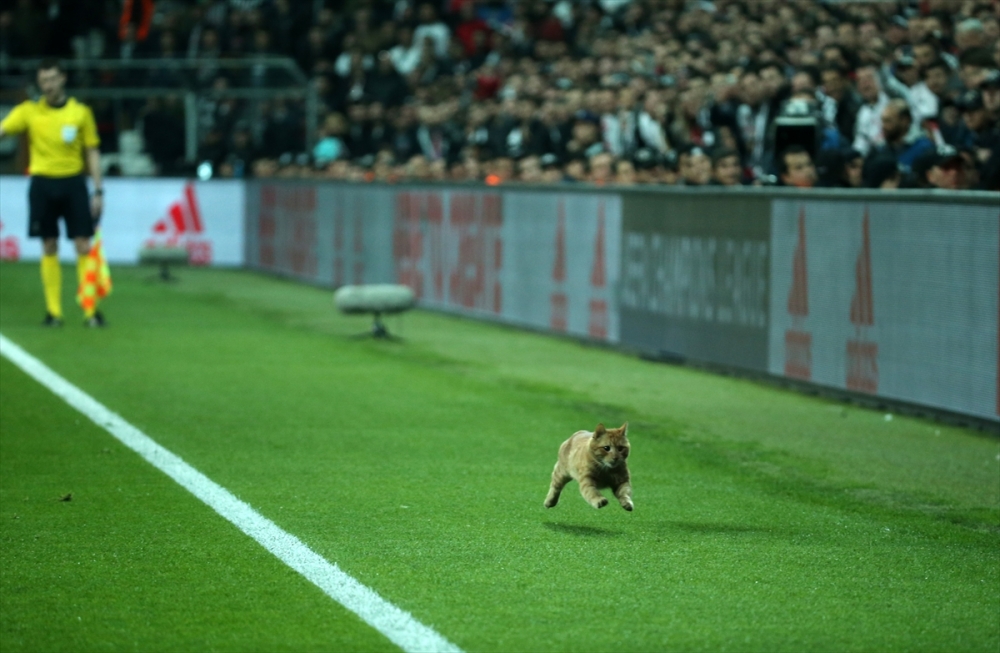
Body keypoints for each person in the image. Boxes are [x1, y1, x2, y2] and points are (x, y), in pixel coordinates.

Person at [0, 59, 105, 327]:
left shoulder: (80, 113)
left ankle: (90, 311)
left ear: (63, 79)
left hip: (73, 183)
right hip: (42, 184)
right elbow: (2, 130)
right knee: (49, 245)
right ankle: (53, 312)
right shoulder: (29, 112)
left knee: (83, 244)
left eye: (52, 79)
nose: (48, 85)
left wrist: (98, 190)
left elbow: (92, 151)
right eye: (43, 80)